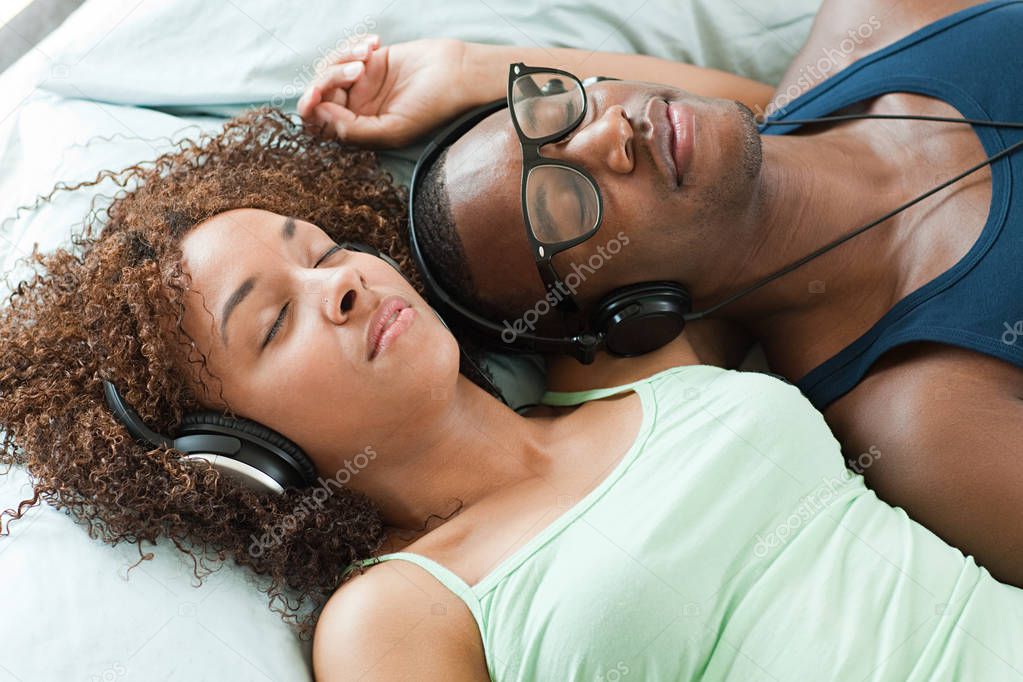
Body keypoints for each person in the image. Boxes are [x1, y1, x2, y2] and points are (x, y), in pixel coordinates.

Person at [299, 0, 1023, 587]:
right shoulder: (929, 421)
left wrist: (469, 69)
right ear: (636, 318)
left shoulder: (875, 21)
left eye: (553, 111)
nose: (611, 130)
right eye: (561, 204)